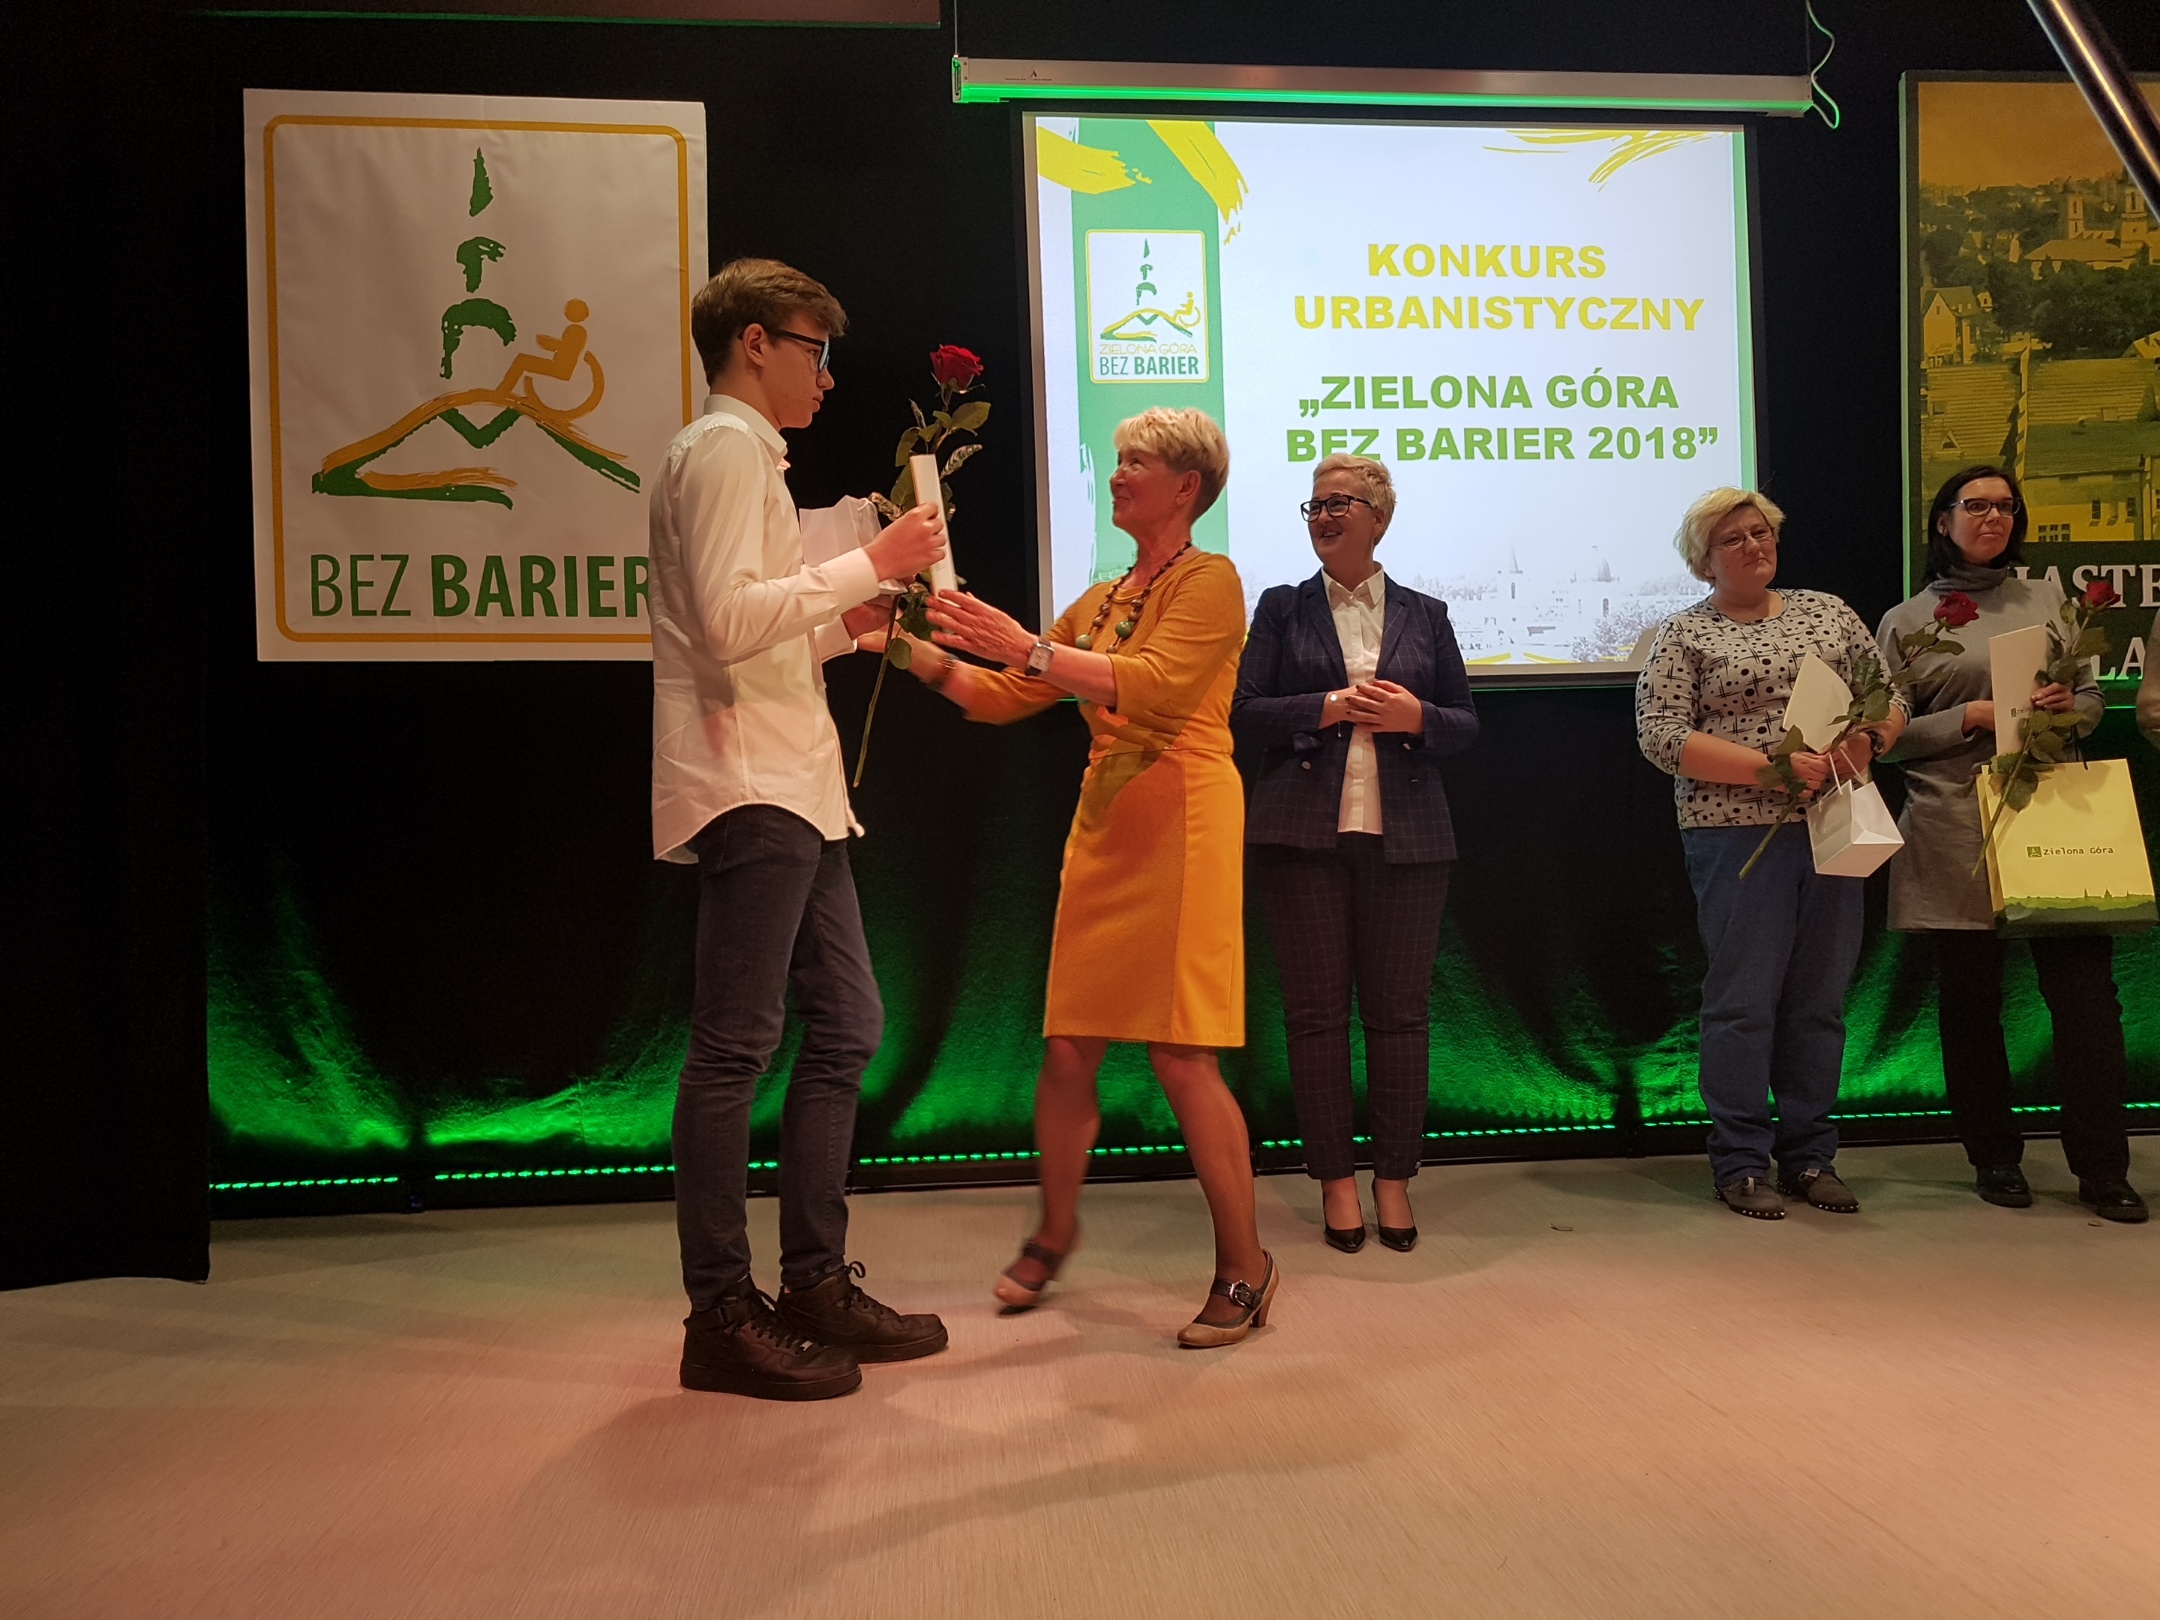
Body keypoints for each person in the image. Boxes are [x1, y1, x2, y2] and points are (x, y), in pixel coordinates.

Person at [892, 407, 1277, 1347]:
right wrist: (893, 644)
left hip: (1183, 816)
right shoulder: (1100, 599)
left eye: (1135, 462)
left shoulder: (1214, 581)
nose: (1116, 476)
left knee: (1183, 1056)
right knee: (1068, 1048)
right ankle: (1054, 1232)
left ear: (1186, 487)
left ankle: (1246, 1265)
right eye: (1116, 461)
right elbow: (999, 697)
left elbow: (1152, 683)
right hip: (1106, 822)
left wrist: (1022, 643)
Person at [650, 258, 955, 1400]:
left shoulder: (750, 460)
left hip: (795, 781)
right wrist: (871, 562)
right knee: (736, 1047)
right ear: (755, 344)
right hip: (751, 780)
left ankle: (814, 1281)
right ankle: (721, 1313)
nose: (827, 377)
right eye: (814, 351)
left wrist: (851, 618)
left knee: (849, 1025)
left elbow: (761, 631)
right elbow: (728, 623)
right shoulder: (724, 449)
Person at [1876, 465, 2145, 1223]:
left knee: (2088, 1003)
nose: (1994, 517)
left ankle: (2103, 1168)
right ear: (1943, 521)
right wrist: (1965, 719)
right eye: (1977, 505)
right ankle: (1994, 1156)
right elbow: (1883, 739)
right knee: (1971, 1004)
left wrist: (2069, 705)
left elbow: (2090, 701)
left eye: (2006, 506)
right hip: (1954, 823)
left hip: (2051, 818)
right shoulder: (1906, 621)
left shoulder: (2050, 601)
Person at [1635, 488, 1906, 1219]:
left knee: (1819, 1000)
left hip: (1833, 822)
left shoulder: (1828, 612)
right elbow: (1661, 735)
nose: (1753, 546)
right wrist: (1767, 769)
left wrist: (1865, 742)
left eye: (1761, 532)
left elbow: (1888, 697)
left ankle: (1811, 1156)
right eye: (1733, 539)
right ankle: (1740, 1162)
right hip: (1734, 832)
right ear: (1703, 561)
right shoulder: (1684, 633)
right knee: (1744, 1001)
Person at [1230, 455, 1478, 1253]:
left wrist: (1416, 717)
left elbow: (1465, 723)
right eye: (1315, 504)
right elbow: (1244, 712)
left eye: (1341, 503)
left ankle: (1394, 1181)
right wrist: (1330, 706)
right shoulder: (1281, 607)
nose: (1324, 516)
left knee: (1400, 1017)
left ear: (1380, 517)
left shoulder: (1427, 614)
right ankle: (1336, 1182)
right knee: (1315, 1019)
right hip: (1301, 834)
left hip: (1409, 838)